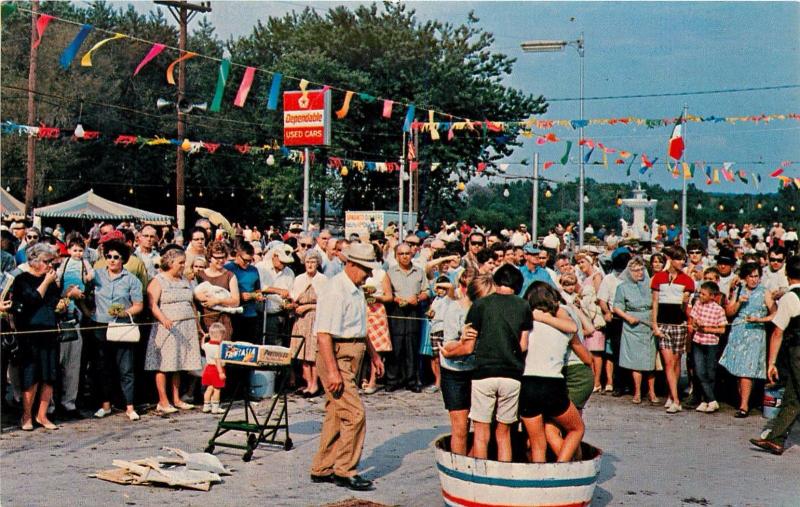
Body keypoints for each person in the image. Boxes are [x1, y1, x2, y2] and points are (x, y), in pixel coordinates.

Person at [309, 243, 384, 491]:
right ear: (351, 265)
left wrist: (374, 356)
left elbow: (360, 329)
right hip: (336, 355)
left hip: (354, 352)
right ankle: (345, 469)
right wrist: (332, 371)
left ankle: (323, 467)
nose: (368, 275)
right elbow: (323, 335)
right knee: (354, 414)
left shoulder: (356, 289)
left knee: (336, 411)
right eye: (365, 269)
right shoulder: (335, 291)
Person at [448, 264, 532, 462]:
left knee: (481, 433)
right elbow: (523, 345)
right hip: (511, 375)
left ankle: (480, 478)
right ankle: (502, 476)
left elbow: (470, 342)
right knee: (503, 435)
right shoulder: (523, 306)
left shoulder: (481, 305)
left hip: (483, 374)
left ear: (495, 283)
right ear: (518, 286)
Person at [522, 282, 585, 462]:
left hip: (528, 383)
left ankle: (538, 480)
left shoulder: (527, 325)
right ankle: (562, 464)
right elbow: (573, 328)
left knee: (537, 442)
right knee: (576, 429)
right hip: (552, 383)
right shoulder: (563, 325)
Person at [750, 255, 800, 455]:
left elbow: (778, 332)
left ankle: (776, 438)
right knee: (793, 397)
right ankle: (776, 439)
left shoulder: (790, 297)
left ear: (787, 275)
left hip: (797, 350)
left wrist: (771, 363)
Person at [90, 239, 144, 421]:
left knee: (126, 367)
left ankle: (129, 406)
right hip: (100, 323)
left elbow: (138, 305)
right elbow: (81, 291)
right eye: (108, 256)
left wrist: (125, 312)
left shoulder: (132, 280)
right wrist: (86, 309)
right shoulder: (97, 275)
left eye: (116, 257)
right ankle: (105, 405)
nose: (112, 260)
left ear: (123, 259)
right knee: (103, 366)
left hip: (121, 325)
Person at [11, 243, 63, 430]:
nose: (50, 266)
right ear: (34, 261)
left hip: (49, 331)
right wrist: (46, 282)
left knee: (49, 375)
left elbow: (53, 302)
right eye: (46, 262)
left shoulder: (51, 281)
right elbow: (31, 300)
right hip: (31, 332)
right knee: (31, 376)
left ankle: (42, 415)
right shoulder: (22, 280)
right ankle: (26, 416)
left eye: (52, 262)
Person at [145, 248, 203, 414]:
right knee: (163, 364)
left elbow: (191, 304)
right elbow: (152, 304)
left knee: (178, 364)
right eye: (180, 263)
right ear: (170, 263)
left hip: (186, 327)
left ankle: (176, 399)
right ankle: (163, 401)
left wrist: (197, 326)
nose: (183, 266)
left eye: (184, 262)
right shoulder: (158, 280)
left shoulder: (184, 279)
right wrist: (164, 319)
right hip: (167, 328)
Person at [439, 270, 488, 455]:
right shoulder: (455, 309)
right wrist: (462, 341)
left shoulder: (484, 309)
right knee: (460, 426)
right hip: (455, 372)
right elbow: (448, 345)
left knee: (481, 427)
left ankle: (474, 462)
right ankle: (458, 467)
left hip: (477, 370)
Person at [720, 262, 775, 418]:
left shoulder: (765, 292)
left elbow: (774, 313)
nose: (754, 280)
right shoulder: (738, 290)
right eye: (751, 276)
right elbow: (729, 312)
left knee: (747, 370)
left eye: (756, 276)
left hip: (755, 334)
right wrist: (739, 302)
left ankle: (744, 405)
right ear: (745, 277)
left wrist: (760, 319)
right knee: (738, 369)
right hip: (738, 331)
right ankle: (743, 400)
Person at [651, 246, 695, 413]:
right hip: (663, 325)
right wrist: (654, 324)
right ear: (670, 259)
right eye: (678, 258)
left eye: (683, 259)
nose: (682, 262)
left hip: (679, 325)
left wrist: (685, 301)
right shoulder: (658, 278)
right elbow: (655, 302)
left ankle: (671, 394)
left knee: (676, 362)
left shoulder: (687, 281)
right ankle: (676, 400)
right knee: (668, 362)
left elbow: (685, 306)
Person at [613, 257, 658, 405]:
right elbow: (617, 307)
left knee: (651, 361)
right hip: (632, 325)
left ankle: (652, 392)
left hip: (649, 322)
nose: (639, 273)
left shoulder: (650, 284)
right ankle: (637, 392)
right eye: (636, 270)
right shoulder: (622, 287)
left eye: (641, 270)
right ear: (629, 271)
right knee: (636, 361)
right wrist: (627, 317)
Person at [385, 242, 428, 392]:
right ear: (396, 256)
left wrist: (418, 298)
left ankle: (412, 380)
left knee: (411, 345)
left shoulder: (419, 272)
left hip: (413, 311)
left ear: (412, 254)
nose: (404, 256)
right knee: (396, 345)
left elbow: (427, 291)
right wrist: (396, 299)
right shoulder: (390, 273)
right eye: (401, 254)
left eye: (407, 253)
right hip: (396, 310)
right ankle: (392, 380)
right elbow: (386, 292)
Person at [288, 250, 327, 397]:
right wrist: (293, 306)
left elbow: (326, 304)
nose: (310, 265)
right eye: (308, 262)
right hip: (301, 320)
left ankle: (314, 385)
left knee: (313, 353)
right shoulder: (299, 279)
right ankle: (308, 383)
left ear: (318, 264)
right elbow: (294, 297)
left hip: (316, 318)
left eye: (313, 262)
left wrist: (309, 307)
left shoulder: (323, 280)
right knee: (303, 353)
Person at [687, 281, 728, 413]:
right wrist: (696, 323)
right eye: (700, 293)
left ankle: (706, 400)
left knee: (710, 372)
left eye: (704, 294)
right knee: (699, 371)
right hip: (698, 342)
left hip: (711, 344)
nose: (700, 296)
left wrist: (707, 329)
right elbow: (693, 320)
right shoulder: (698, 304)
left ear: (712, 296)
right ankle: (712, 400)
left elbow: (722, 330)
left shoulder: (718, 310)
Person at [361, 243, 393, 395]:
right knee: (361, 346)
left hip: (377, 311)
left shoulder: (381, 273)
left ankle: (373, 380)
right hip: (362, 309)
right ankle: (362, 378)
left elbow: (389, 296)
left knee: (376, 348)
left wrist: (376, 298)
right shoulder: (361, 272)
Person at [195, 241, 239, 340]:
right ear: (210, 258)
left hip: (223, 322)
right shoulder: (200, 275)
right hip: (204, 321)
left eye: (223, 257)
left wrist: (217, 300)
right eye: (217, 258)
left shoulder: (230, 276)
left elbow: (236, 301)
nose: (221, 260)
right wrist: (198, 296)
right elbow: (192, 296)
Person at [225, 242, 263, 342]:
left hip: (251, 313)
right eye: (245, 260)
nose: (247, 263)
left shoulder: (254, 270)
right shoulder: (228, 268)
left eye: (250, 261)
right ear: (237, 255)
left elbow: (258, 289)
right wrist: (239, 296)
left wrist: (258, 296)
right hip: (234, 314)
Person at [201, 322, 227, 414]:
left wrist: (204, 337)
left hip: (208, 369)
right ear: (220, 336)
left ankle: (206, 406)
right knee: (217, 389)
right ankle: (215, 407)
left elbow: (202, 345)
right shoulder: (217, 348)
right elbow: (217, 361)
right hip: (216, 370)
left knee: (209, 388)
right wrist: (221, 372)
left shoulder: (207, 345)